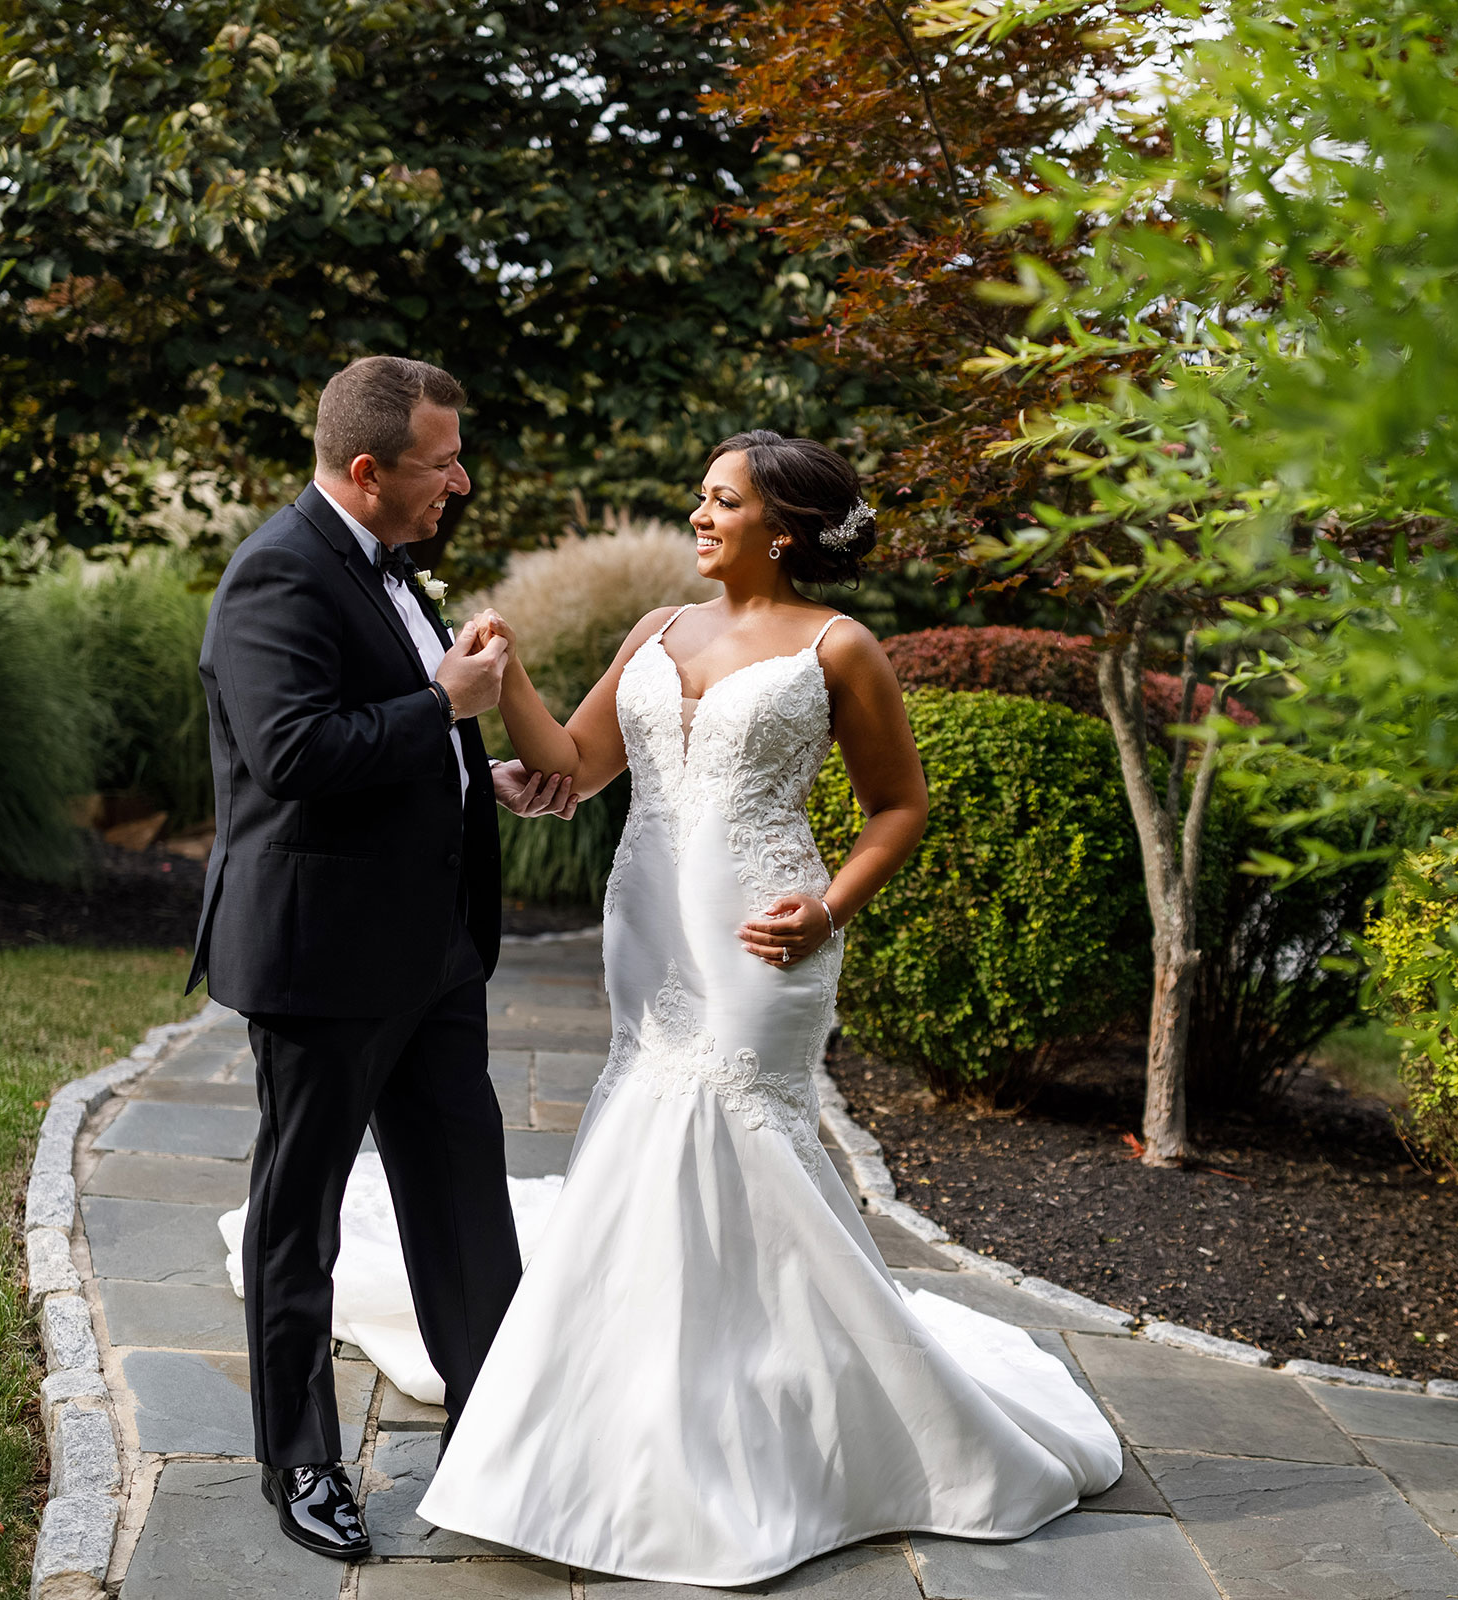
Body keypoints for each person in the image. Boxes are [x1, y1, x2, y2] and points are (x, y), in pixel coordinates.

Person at [410, 430, 1122, 1584]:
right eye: (698, 495)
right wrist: (510, 677)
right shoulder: (656, 631)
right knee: (646, 1136)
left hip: (763, 934)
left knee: (735, 1136)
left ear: (779, 529)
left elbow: (899, 806)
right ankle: (628, 1409)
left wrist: (830, 908)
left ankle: (779, 1418)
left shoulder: (840, 648)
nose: (698, 515)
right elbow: (575, 765)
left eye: (720, 500)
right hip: (646, 926)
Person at [186, 354, 575, 1562]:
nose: (459, 478)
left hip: (435, 953)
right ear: (369, 468)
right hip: (324, 958)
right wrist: (448, 710)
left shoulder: (394, 569)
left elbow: (395, 738)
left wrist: (481, 771)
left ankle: (497, 1429)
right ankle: (299, 1457)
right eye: (441, 461)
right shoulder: (274, 576)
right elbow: (294, 753)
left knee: (464, 1197)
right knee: (297, 1214)